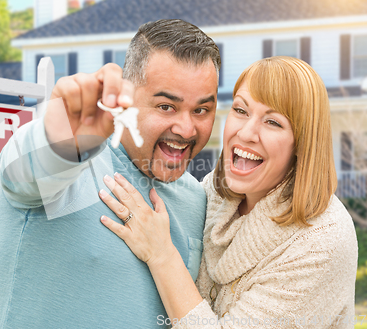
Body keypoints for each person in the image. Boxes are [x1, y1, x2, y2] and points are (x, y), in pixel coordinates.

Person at [0, 19, 221, 328]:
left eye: (201, 110)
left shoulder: (197, 199)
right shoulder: (73, 163)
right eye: (166, 107)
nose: (186, 129)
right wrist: (60, 141)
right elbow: (23, 172)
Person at [99, 56, 358, 328]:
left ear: (302, 145)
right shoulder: (214, 193)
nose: (246, 133)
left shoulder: (322, 241)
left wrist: (161, 255)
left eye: (273, 122)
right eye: (241, 110)